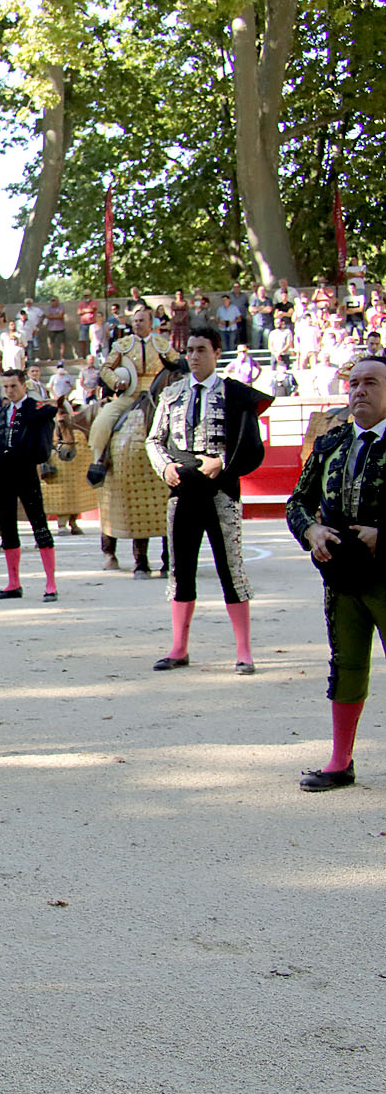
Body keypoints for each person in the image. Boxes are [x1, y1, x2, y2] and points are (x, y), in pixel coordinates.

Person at [146, 326, 272, 675]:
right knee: (181, 569)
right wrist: (165, 466)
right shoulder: (171, 394)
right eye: (189, 350)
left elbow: (251, 443)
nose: (193, 356)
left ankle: (244, 651)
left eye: (201, 349)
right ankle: (178, 648)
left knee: (231, 568)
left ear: (217, 353)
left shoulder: (236, 394)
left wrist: (223, 462)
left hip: (221, 488)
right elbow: (154, 439)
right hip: (183, 487)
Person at [290, 356, 386, 791]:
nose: (359, 390)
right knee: (346, 663)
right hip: (342, 575)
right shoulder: (332, 442)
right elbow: (297, 502)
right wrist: (310, 531)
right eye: (354, 383)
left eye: (371, 383)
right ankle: (340, 761)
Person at [90, 307, 183, 576]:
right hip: (129, 395)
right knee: (103, 421)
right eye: (135, 321)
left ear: (151, 323)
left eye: (142, 320)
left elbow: (179, 366)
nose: (138, 324)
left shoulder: (162, 344)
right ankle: (98, 461)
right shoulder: (123, 345)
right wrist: (116, 381)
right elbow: (106, 368)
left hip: (161, 397)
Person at [0, 371, 61, 601]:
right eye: (6, 386)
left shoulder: (37, 410)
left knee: (39, 524)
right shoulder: (1, 412)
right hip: (2, 475)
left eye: (13, 386)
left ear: (24, 385)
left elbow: (42, 447)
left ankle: (51, 584)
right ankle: (13, 583)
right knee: (7, 526)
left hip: (26, 472)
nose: (9, 391)